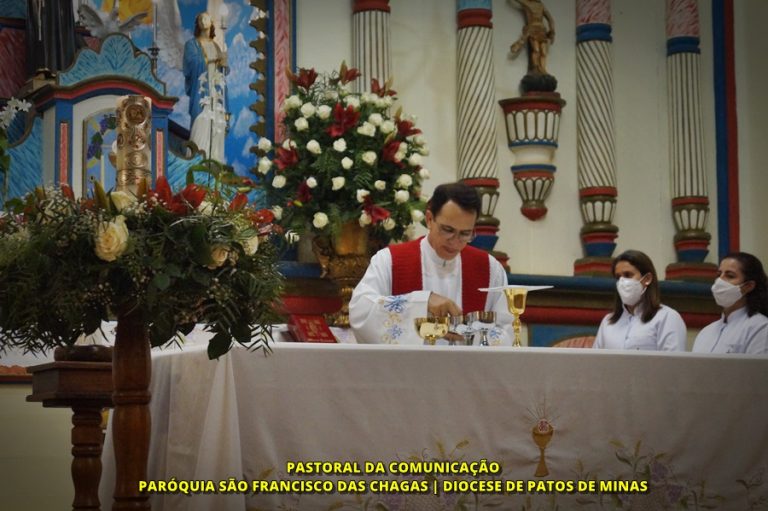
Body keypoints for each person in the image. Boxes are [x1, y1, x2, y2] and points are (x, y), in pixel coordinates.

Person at [349, 182, 513, 345]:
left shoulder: (490, 269)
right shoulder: (389, 261)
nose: (455, 242)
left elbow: (506, 332)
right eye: (448, 230)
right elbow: (360, 312)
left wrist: (470, 333)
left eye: (465, 233)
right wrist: (421, 303)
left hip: (466, 363)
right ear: (429, 219)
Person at [592, 250, 686, 351]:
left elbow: (674, 360)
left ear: (647, 279)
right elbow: (594, 359)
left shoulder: (667, 317)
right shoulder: (608, 321)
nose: (622, 282)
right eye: (618, 277)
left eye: (628, 275)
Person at [692, 252, 768, 354]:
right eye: (719, 275)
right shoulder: (706, 332)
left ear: (748, 286)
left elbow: (758, 364)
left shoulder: (760, 327)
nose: (720, 281)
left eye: (730, 276)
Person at [183, 12, 227, 161]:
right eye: (200, 18)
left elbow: (223, 72)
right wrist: (212, 61)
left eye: (206, 18)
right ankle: (197, 163)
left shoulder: (216, 46)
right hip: (201, 93)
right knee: (200, 124)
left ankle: (215, 163)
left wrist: (223, 63)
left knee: (216, 128)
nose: (203, 20)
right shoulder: (191, 45)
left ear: (212, 22)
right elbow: (189, 66)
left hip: (216, 93)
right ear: (197, 24)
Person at [509, 0, 555, 76]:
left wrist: (552, 30)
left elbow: (550, 19)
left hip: (542, 30)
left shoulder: (541, 5)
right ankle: (535, 67)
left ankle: (543, 69)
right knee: (536, 50)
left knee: (544, 52)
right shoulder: (527, 3)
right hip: (532, 29)